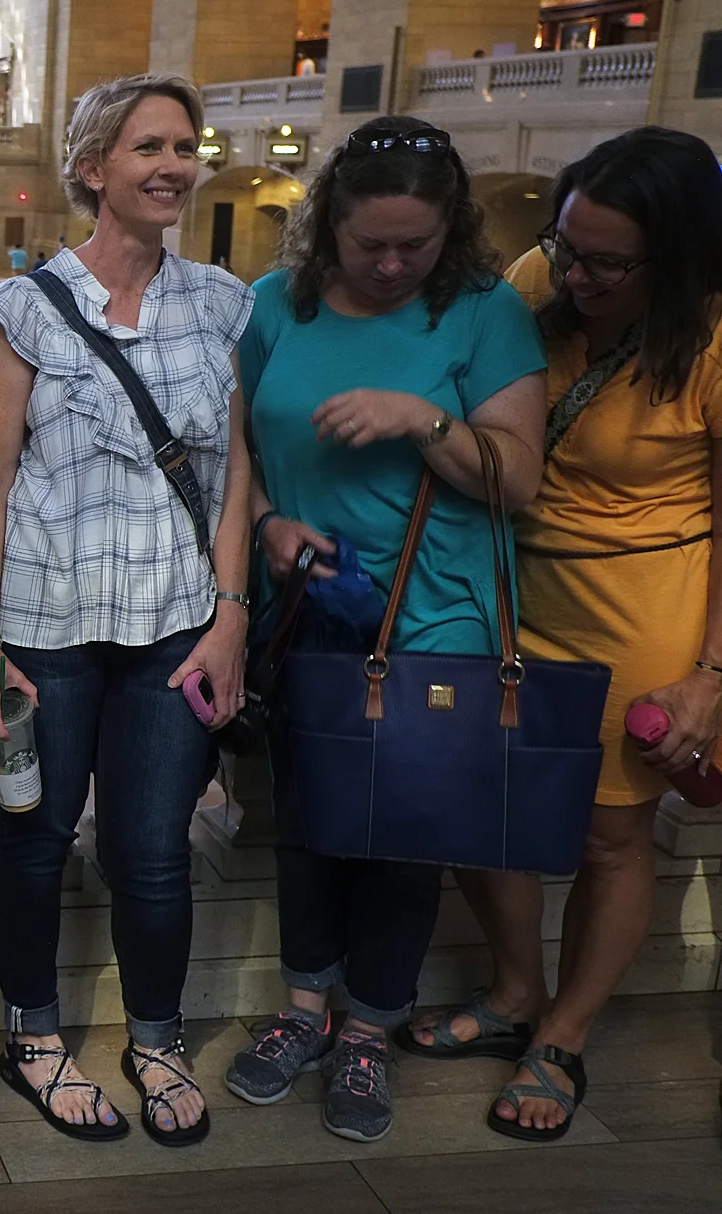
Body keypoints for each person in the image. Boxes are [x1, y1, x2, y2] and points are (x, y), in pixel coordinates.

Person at [224, 115, 546, 1144]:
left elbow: (519, 478)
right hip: (305, 614)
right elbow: (235, 458)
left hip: (435, 619)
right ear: (328, 222)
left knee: (403, 841)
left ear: (451, 230)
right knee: (309, 824)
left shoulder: (485, 313)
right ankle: (303, 1010)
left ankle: (368, 1028)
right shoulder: (272, 305)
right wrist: (267, 527)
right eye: (371, 244)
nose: (394, 263)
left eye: (416, 243)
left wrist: (421, 418)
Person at [400, 127, 722, 1143]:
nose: (574, 275)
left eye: (607, 263)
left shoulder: (714, 338)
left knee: (606, 834)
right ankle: (513, 990)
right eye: (566, 246)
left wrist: (710, 673)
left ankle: (563, 1033)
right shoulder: (539, 276)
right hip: (504, 586)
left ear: (676, 257)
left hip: (639, 609)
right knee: (474, 805)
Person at [0, 74, 254, 1149]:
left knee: (153, 848)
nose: (174, 165)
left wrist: (230, 616)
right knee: (34, 837)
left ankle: (156, 1042)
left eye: (184, 146)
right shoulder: (30, 307)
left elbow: (235, 477)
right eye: (148, 147)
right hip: (45, 621)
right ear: (92, 168)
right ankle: (34, 1036)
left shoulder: (220, 303)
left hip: (174, 623)